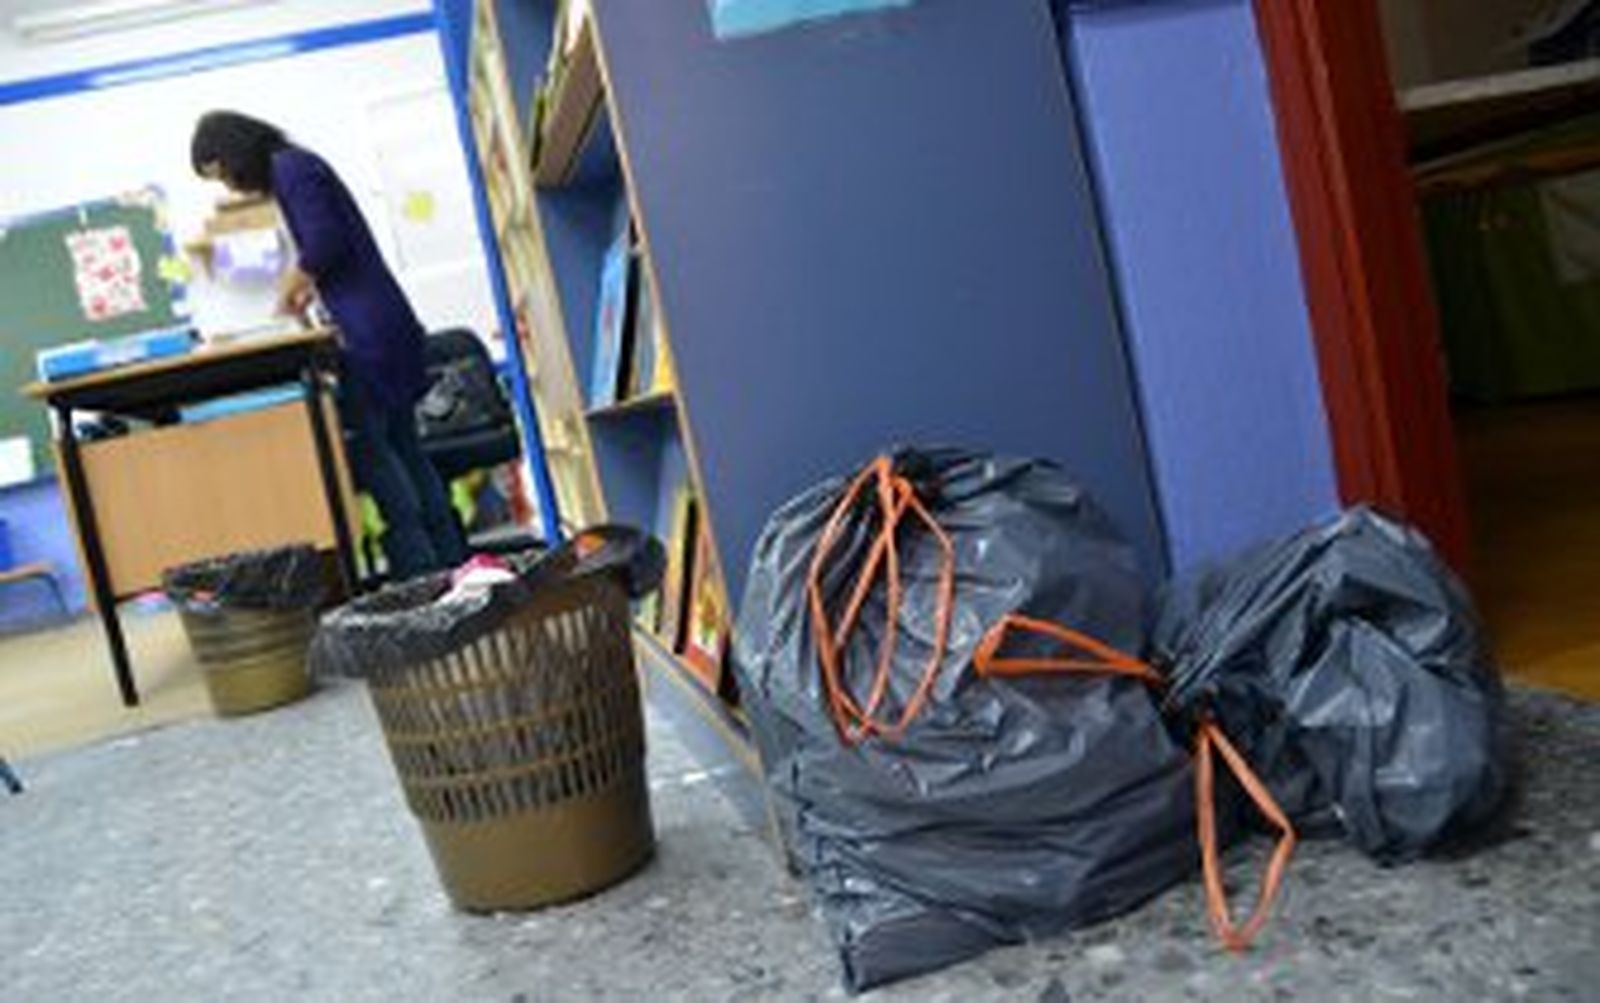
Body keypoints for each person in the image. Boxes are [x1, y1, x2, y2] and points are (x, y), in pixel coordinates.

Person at [191, 110, 467, 579]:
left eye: (223, 174)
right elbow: (332, 251)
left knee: (377, 450)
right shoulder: (295, 167)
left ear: (234, 153)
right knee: (404, 445)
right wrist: (308, 288)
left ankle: (421, 569)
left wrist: (289, 289)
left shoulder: (291, 169)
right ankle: (448, 561)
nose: (231, 187)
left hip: (368, 330)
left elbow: (324, 244)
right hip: (377, 318)